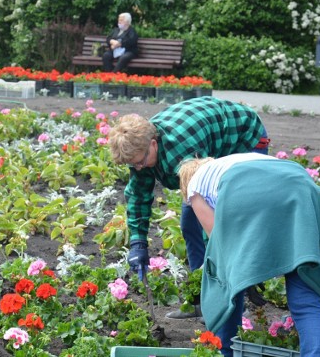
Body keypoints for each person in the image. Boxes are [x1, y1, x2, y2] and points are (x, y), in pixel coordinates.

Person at [107, 96, 270, 319]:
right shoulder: (143, 152)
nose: (139, 167)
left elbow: (210, 218)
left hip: (242, 137)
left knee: (215, 223)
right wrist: (138, 242)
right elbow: (138, 195)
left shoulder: (182, 150)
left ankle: (230, 301)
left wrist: (234, 266)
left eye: (141, 161)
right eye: (133, 164)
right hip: (209, 140)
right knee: (189, 224)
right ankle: (201, 299)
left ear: (153, 143)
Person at [178, 153, 320, 357]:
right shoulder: (236, 161)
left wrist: (243, 277)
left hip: (260, 197)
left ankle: (226, 352)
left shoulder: (194, 186)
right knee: (306, 299)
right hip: (302, 190)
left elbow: (219, 242)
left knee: (226, 283)